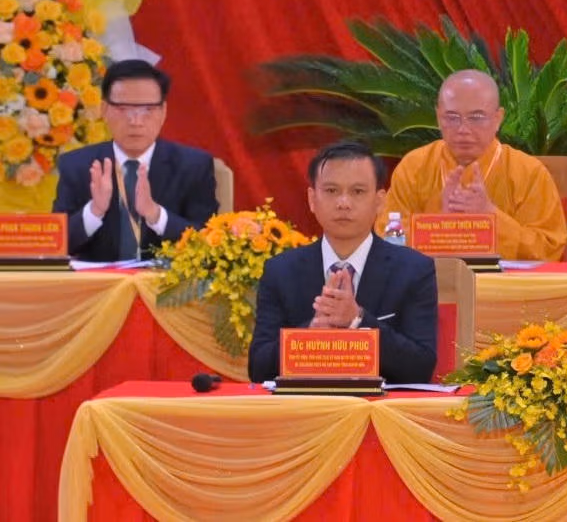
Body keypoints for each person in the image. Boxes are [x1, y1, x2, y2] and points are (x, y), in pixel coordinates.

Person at [249, 141, 439, 384]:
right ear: (312, 199)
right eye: (331, 191)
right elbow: (258, 368)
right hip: (304, 405)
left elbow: (420, 368)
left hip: (378, 405)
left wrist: (357, 320)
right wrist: (309, 336)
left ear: (380, 201)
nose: (343, 203)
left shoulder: (414, 270)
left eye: (357, 192)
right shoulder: (280, 271)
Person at [381, 69, 567, 260]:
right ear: (438, 117)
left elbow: (548, 247)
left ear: (498, 118)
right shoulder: (414, 167)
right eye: (452, 117)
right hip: (431, 278)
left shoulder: (528, 172)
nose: (463, 129)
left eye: (476, 118)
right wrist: (439, 223)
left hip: (503, 280)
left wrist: (491, 216)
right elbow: (386, 238)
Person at [53, 60, 219, 262]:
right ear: (104, 109)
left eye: (148, 109)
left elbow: (207, 243)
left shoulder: (193, 166)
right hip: (99, 281)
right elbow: (57, 244)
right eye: (123, 109)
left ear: (163, 112)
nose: (135, 121)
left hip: (165, 281)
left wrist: (156, 215)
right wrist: (94, 211)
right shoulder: (76, 166)